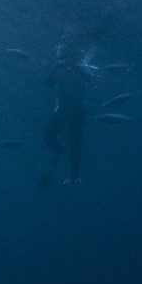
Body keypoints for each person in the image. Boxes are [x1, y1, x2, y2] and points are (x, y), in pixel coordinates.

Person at [39, 42, 93, 188]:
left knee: (74, 143)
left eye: (75, 56)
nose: (72, 59)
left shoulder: (81, 69)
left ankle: (74, 175)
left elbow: (89, 78)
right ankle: (59, 153)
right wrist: (57, 69)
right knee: (48, 138)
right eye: (69, 56)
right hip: (63, 109)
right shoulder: (60, 68)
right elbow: (48, 83)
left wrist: (78, 69)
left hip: (77, 111)